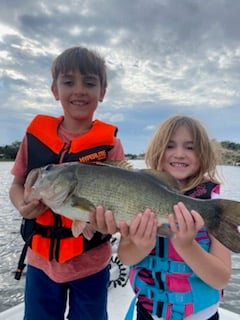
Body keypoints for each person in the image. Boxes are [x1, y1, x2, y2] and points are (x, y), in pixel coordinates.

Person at [9, 46, 125, 320]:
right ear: (55, 90)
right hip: (40, 262)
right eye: (69, 81)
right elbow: (17, 185)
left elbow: (122, 199)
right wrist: (22, 205)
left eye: (89, 82)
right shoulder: (34, 137)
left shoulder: (112, 145)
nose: (79, 90)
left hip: (93, 263)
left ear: (102, 92)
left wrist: (111, 222)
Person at [117, 115, 231, 320]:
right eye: (170, 146)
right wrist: (141, 246)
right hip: (148, 313)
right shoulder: (136, 195)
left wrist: (187, 246)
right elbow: (126, 257)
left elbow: (221, 279)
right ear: (158, 151)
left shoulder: (213, 208)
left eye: (190, 147)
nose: (179, 154)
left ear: (203, 153)